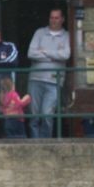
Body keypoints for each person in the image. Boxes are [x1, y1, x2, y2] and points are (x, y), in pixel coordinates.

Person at [27, 9, 71, 139]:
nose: (54, 20)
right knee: (34, 115)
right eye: (51, 17)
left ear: (62, 19)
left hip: (54, 81)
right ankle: (35, 144)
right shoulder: (39, 33)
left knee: (47, 115)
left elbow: (65, 55)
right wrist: (54, 56)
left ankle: (45, 143)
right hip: (35, 79)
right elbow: (31, 53)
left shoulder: (67, 35)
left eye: (57, 18)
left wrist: (44, 51)